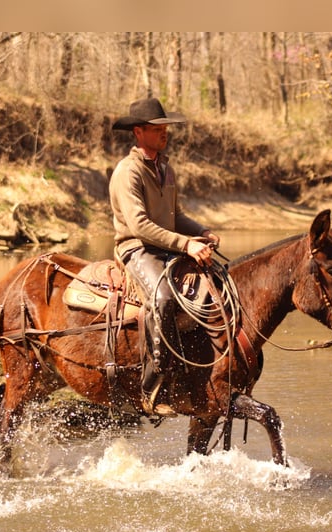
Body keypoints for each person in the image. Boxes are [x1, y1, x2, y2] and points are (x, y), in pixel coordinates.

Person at [109, 97, 220, 417]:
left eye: (166, 127)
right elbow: (140, 225)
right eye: (158, 128)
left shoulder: (165, 168)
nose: (165, 133)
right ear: (139, 132)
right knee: (164, 298)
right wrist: (187, 245)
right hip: (136, 248)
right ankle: (153, 386)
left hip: (165, 247)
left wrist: (203, 231)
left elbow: (176, 216)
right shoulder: (127, 172)